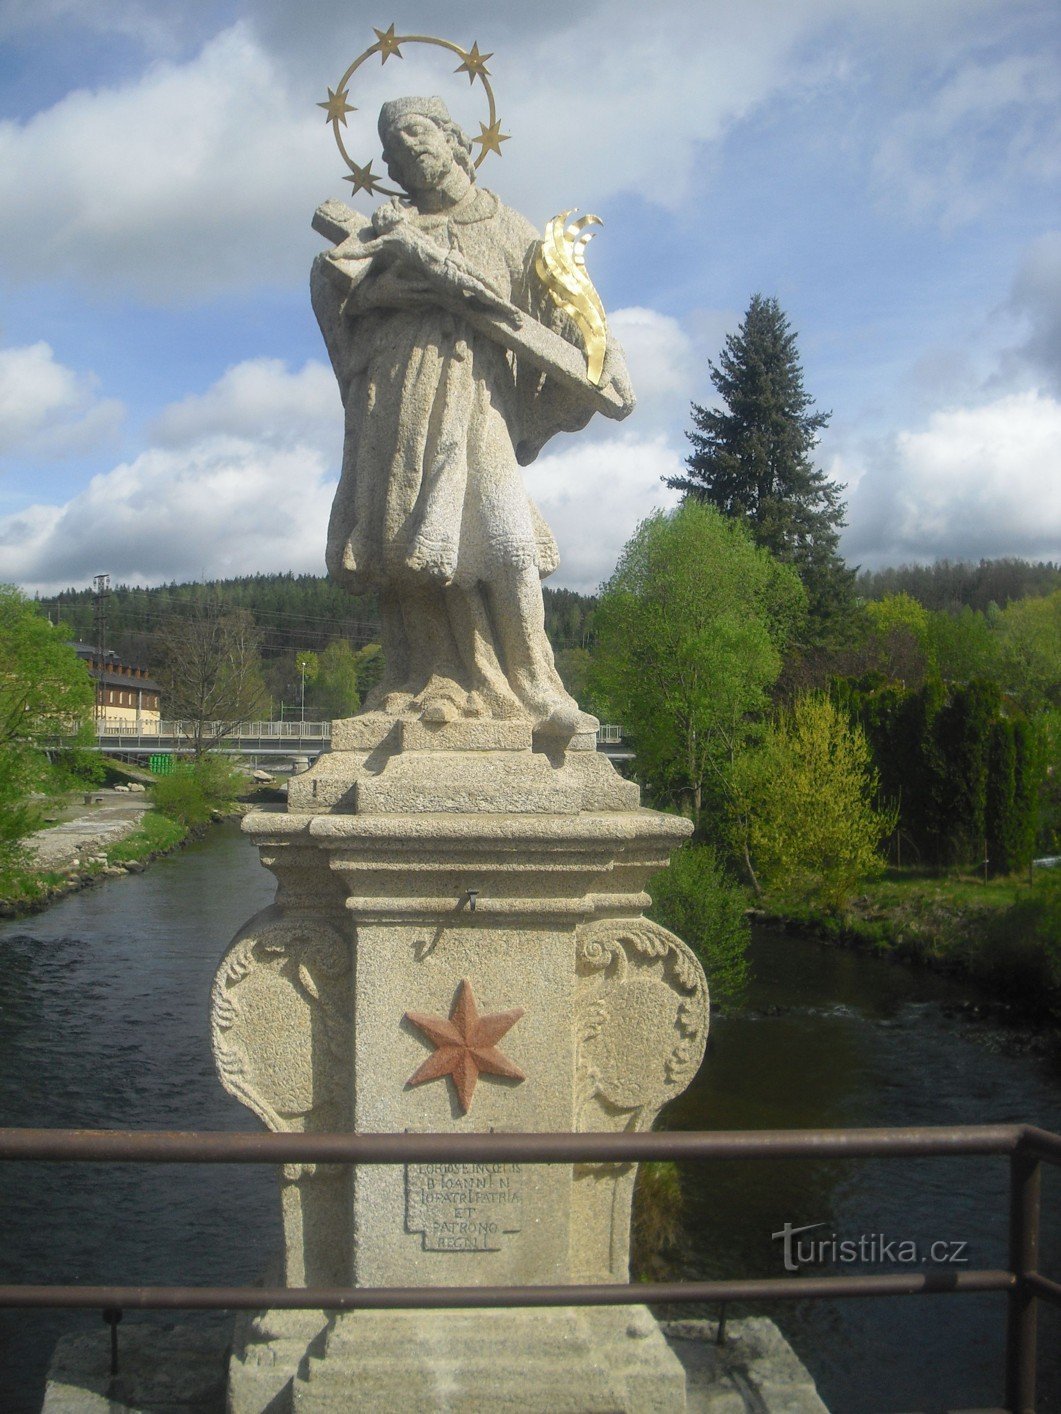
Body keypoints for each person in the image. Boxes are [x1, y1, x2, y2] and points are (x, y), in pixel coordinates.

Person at [311, 95, 633, 739]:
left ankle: (535, 688)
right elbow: (336, 298)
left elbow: (563, 316)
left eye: (419, 135)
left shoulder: (508, 228)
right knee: (412, 550)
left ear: (455, 139)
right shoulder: (380, 231)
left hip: (477, 397)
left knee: (508, 542)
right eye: (396, 149)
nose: (411, 153)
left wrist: (597, 365)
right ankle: (430, 679)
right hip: (400, 399)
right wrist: (387, 285)